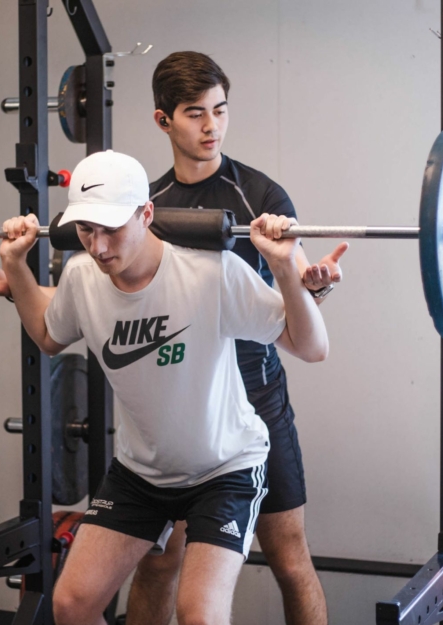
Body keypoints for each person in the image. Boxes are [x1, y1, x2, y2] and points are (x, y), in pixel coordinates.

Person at [0, 149, 328, 625]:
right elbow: (49, 335)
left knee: (198, 615)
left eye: (111, 229)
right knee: (71, 606)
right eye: (85, 230)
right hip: (141, 474)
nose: (97, 247)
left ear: (147, 214)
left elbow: (311, 346)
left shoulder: (210, 272)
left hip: (224, 469)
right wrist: (16, 266)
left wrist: (284, 268)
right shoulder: (80, 278)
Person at [127, 51, 340, 625]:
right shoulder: (144, 210)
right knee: (158, 562)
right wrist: (16, 286)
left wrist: (312, 287)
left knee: (289, 556)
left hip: (257, 399)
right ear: (162, 120)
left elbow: (296, 313)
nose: (211, 127)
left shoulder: (261, 198)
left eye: (220, 111)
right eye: (195, 113)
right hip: (180, 404)